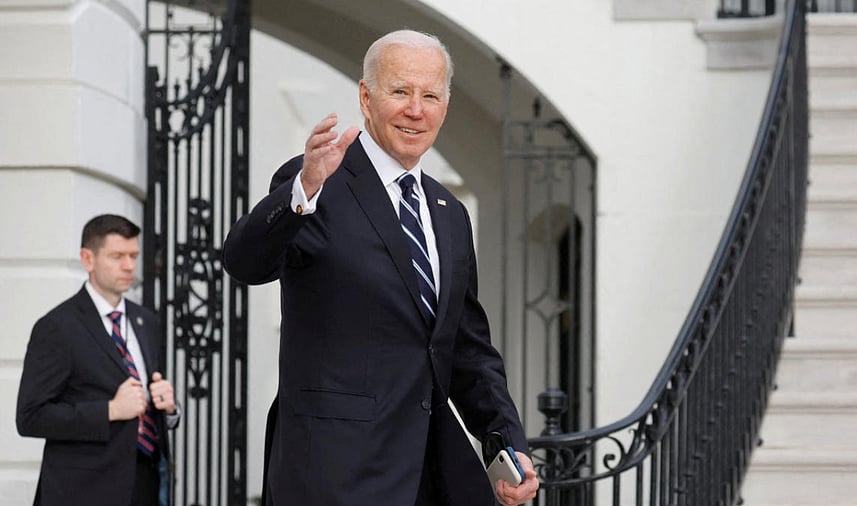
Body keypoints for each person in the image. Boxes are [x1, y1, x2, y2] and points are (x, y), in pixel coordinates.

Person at [223, 29, 540, 505]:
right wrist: (301, 192)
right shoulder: (317, 179)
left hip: (429, 476)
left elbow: (466, 351)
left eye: (430, 95)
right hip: (333, 474)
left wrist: (506, 444)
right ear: (366, 97)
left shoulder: (449, 211)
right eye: (400, 91)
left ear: (445, 106)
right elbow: (245, 263)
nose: (416, 109)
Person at [16, 214, 180, 506]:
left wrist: (168, 407)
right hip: (83, 491)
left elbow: (147, 402)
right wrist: (109, 410)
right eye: (117, 256)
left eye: (134, 256)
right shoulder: (57, 327)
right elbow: (30, 418)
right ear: (87, 259)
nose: (129, 266)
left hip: (146, 485)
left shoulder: (146, 321)